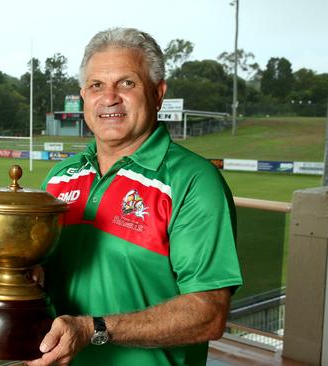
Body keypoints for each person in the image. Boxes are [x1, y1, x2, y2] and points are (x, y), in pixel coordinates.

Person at [28, 27, 243, 366]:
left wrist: (93, 329)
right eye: (96, 85)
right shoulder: (60, 177)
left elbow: (209, 313)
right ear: (84, 95)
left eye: (127, 83)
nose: (109, 97)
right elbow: (42, 271)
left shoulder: (193, 180)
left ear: (158, 94)